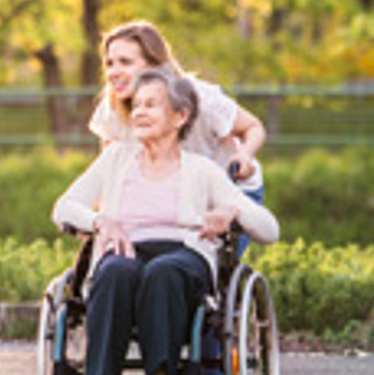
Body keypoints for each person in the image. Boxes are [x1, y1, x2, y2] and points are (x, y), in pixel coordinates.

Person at [52, 67, 279, 375]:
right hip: (126, 250)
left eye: (152, 105)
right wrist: (99, 222)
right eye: (137, 105)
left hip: (183, 256)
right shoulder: (115, 159)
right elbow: (64, 207)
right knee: (113, 273)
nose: (139, 112)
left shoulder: (202, 170)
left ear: (180, 116)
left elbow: (270, 229)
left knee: (164, 272)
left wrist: (232, 212)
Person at [89, 20, 266, 228]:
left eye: (125, 62)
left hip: (227, 192)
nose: (113, 72)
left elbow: (253, 127)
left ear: (155, 65)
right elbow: (110, 164)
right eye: (109, 63)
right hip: (170, 192)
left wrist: (244, 155)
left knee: (199, 255)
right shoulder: (113, 107)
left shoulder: (201, 98)